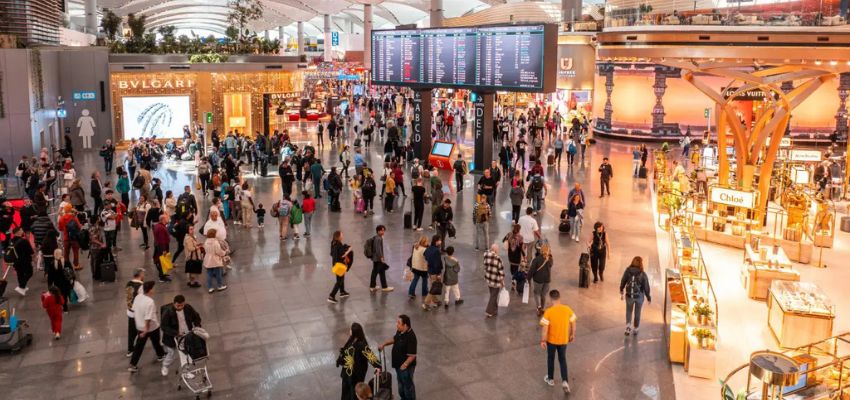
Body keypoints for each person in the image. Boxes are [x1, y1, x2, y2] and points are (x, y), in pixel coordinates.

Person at [539, 289, 576, 393]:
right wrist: (572, 334)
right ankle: (565, 381)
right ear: (559, 298)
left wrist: (543, 340)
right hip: (564, 340)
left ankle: (550, 379)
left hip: (551, 341)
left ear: (551, 300)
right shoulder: (567, 309)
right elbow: (573, 322)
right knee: (562, 359)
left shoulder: (548, 312)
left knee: (551, 358)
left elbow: (545, 329)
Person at [336, 322, 382, 400]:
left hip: (356, 373)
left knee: (354, 393)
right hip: (347, 372)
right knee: (345, 391)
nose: (349, 330)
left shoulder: (362, 344)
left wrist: (377, 366)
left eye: (351, 329)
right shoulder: (351, 339)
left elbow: (370, 355)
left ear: (355, 332)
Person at [128, 281, 166, 373]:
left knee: (144, 344)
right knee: (151, 342)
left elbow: (133, 309)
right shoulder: (150, 302)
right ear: (150, 290)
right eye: (153, 288)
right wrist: (145, 331)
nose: (154, 290)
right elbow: (148, 318)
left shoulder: (138, 297)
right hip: (150, 327)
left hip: (139, 326)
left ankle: (160, 354)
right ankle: (133, 364)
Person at [160, 294, 202, 376]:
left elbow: (196, 316)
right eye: (178, 305)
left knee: (186, 354)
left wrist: (197, 326)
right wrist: (176, 333)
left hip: (186, 334)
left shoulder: (187, 308)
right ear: (174, 303)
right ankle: (165, 366)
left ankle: (186, 371)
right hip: (171, 337)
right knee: (171, 353)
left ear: (184, 303)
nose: (180, 307)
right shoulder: (168, 312)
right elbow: (164, 326)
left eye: (182, 305)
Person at [378, 315, 417, 400]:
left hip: (405, 367)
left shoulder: (411, 337)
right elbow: (395, 339)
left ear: (405, 325)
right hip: (398, 365)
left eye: (399, 323)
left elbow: (412, 356)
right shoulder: (400, 331)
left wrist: (405, 365)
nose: (396, 324)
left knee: (408, 387)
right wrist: (384, 344)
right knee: (401, 385)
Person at [619, 256, 652, 336]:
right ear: (641, 264)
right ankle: (636, 328)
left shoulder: (628, 271)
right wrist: (648, 297)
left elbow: (623, 280)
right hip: (639, 297)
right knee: (637, 312)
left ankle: (628, 327)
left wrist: (621, 289)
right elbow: (646, 286)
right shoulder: (642, 273)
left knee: (629, 311)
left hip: (629, 295)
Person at [529, 243, 553, 316]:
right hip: (547, 280)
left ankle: (539, 307)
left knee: (537, 293)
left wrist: (528, 278)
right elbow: (550, 265)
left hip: (538, 280)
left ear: (540, 250)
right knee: (543, 294)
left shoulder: (536, 259)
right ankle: (542, 308)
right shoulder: (550, 259)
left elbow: (532, 270)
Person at [125, 268, 145, 357]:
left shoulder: (128, 283)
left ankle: (130, 349)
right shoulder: (141, 286)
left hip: (130, 311)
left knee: (131, 332)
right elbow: (142, 300)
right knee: (142, 332)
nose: (144, 276)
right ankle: (137, 351)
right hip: (138, 313)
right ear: (140, 274)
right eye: (143, 274)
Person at [328, 230, 353, 303]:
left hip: (335, 264)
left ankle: (342, 292)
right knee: (339, 281)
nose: (342, 236)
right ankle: (331, 296)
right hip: (340, 265)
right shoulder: (338, 244)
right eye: (342, 235)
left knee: (341, 278)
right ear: (338, 236)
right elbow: (343, 255)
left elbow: (331, 253)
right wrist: (349, 250)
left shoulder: (333, 243)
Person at [367, 225, 394, 293]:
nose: (383, 232)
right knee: (377, 272)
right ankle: (381, 287)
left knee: (378, 272)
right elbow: (378, 249)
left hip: (375, 258)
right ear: (378, 231)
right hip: (378, 259)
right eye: (382, 230)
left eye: (383, 230)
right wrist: (381, 257)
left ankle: (374, 286)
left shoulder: (376, 237)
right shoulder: (379, 238)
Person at [10, 228, 35, 296]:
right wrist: (34, 257)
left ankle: (22, 287)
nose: (23, 231)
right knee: (29, 273)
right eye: (21, 230)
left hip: (15, 261)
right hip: (25, 261)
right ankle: (21, 287)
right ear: (18, 232)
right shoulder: (24, 241)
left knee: (20, 273)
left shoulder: (11, 241)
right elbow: (31, 252)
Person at [483, 243, 505, 318]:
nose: (498, 251)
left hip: (488, 279)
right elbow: (501, 272)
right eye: (498, 250)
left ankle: (495, 310)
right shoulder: (498, 259)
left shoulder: (486, 254)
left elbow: (485, 265)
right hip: (495, 281)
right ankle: (489, 311)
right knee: (493, 296)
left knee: (493, 295)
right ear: (495, 250)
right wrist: (502, 282)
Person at [57, 204, 82, 270]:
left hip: (66, 237)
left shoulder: (62, 218)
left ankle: (67, 265)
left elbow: (60, 229)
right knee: (75, 251)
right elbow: (79, 227)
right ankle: (76, 265)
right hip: (74, 238)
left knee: (66, 252)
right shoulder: (74, 217)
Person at [202, 229, 227, 293]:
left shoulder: (206, 241)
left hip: (208, 260)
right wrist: (224, 252)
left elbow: (205, 249)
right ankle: (219, 286)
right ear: (214, 234)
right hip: (215, 260)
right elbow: (218, 252)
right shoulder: (215, 242)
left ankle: (210, 287)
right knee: (218, 273)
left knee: (209, 274)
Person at [152, 214, 171, 282]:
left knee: (163, 261)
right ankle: (162, 277)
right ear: (163, 219)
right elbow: (161, 240)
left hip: (160, 246)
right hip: (162, 247)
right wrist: (164, 250)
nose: (168, 219)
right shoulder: (160, 228)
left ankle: (163, 274)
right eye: (167, 218)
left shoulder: (159, 226)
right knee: (162, 261)